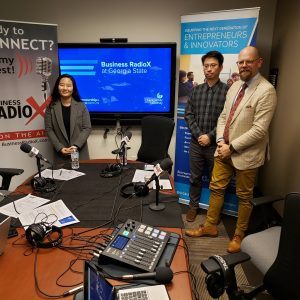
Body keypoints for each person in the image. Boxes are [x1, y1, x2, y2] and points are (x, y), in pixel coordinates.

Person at [185, 46, 277, 253]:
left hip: (246, 154)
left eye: (249, 61)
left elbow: (259, 130)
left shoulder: (266, 90)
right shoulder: (235, 87)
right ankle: (209, 226)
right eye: (241, 62)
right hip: (222, 148)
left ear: (258, 63)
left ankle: (238, 235)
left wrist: (231, 147)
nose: (244, 65)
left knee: (244, 196)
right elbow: (224, 117)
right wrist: (219, 140)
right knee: (216, 188)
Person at [184, 51, 228, 222]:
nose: (209, 69)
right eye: (206, 66)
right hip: (196, 144)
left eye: (213, 65)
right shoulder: (196, 91)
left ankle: (214, 213)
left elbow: (228, 120)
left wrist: (209, 136)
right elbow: (188, 115)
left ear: (220, 67)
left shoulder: (227, 91)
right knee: (194, 178)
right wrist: (199, 135)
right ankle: (193, 207)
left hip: (216, 145)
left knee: (216, 182)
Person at [45, 74, 92, 165]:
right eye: (62, 85)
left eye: (69, 85)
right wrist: (60, 148)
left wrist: (76, 146)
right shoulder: (51, 107)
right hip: (61, 154)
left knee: (84, 178)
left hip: (79, 152)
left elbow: (87, 128)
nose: (65, 88)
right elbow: (49, 129)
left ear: (73, 88)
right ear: (57, 87)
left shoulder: (81, 106)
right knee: (62, 178)